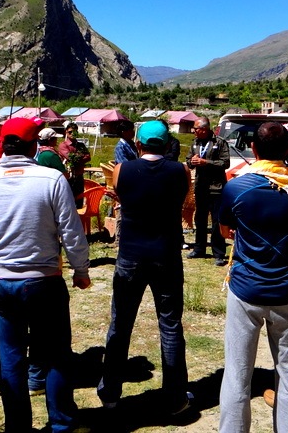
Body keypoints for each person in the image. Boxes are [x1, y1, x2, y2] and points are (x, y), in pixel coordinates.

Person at [0, 116, 91, 433]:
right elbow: (71, 232)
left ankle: (18, 426)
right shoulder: (51, 179)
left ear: (3, 145)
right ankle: (60, 422)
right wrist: (81, 268)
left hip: (0, 282)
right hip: (43, 279)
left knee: (11, 356)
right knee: (56, 352)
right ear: (34, 145)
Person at [218, 122, 288, 433]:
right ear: (287, 150)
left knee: (237, 375)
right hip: (285, 288)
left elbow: (225, 230)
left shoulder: (236, 186)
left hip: (245, 288)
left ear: (253, 150)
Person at [97, 121, 192, 415]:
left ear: (138, 144)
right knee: (170, 325)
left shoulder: (122, 170)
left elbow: (123, 197)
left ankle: (111, 392)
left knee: (121, 324)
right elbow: (183, 202)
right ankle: (175, 396)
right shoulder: (181, 171)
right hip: (166, 256)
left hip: (131, 257)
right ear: (166, 145)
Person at [186, 117, 230, 266]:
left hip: (216, 188)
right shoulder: (195, 143)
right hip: (201, 188)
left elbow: (225, 163)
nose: (194, 131)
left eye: (196, 129)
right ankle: (199, 249)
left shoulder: (219, 142)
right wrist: (191, 162)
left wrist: (206, 162)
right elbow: (188, 160)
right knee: (200, 219)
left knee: (217, 221)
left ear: (204, 129)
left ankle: (218, 253)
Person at [58, 122, 91, 203]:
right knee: (69, 201)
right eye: (70, 132)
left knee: (79, 200)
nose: (72, 134)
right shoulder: (63, 145)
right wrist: (81, 156)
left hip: (79, 176)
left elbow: (88, 157)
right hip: (69, 177)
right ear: (66, 132)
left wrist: (77, 158)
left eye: (74, 131)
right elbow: (70, 158)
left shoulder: (81, 145)